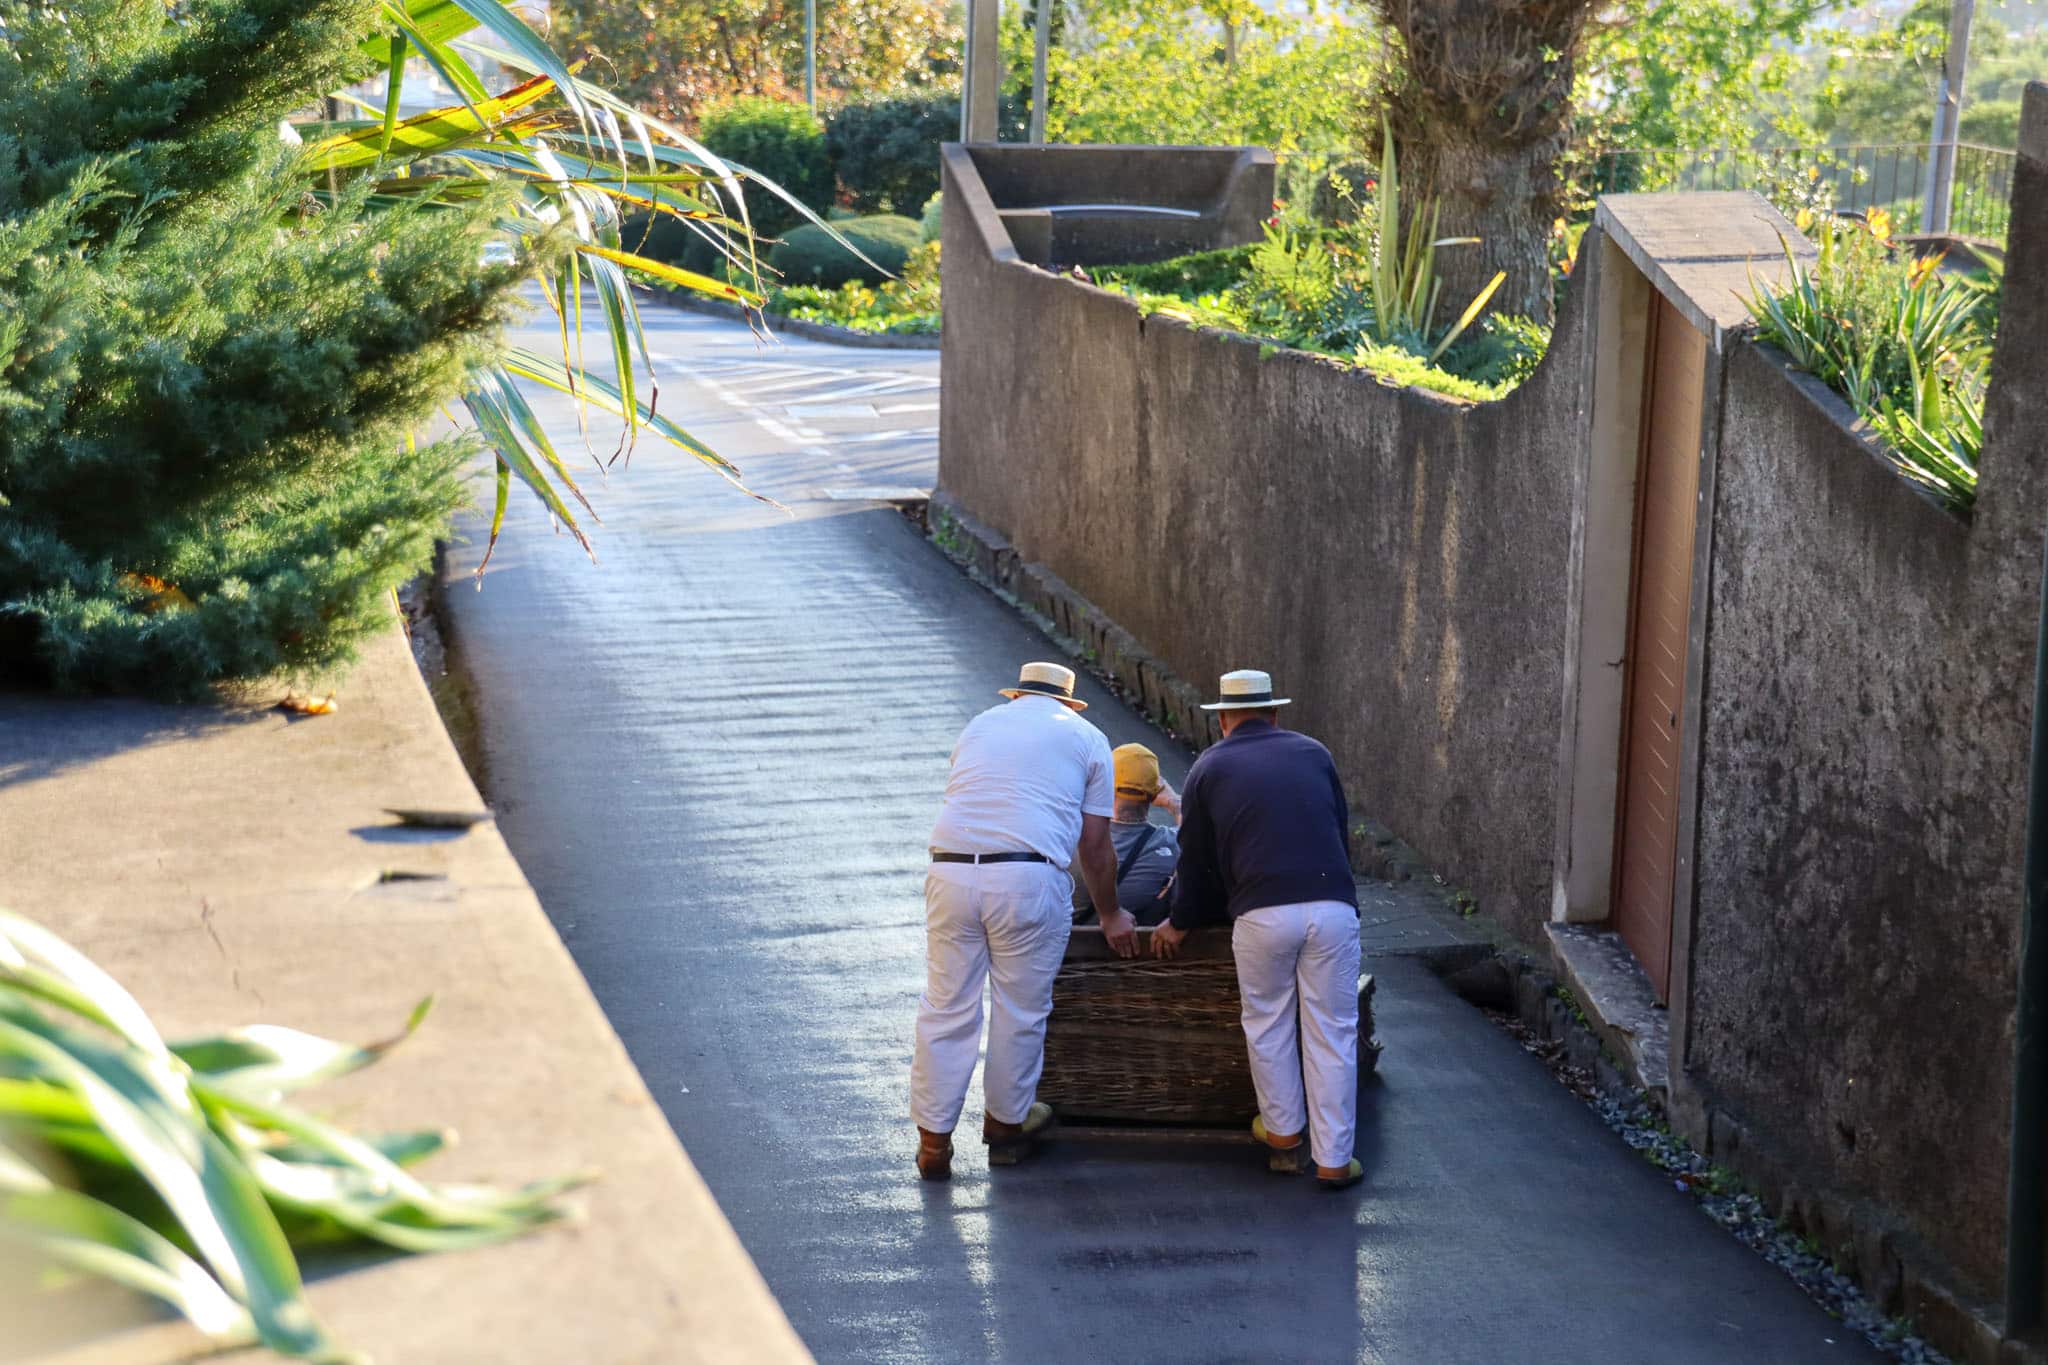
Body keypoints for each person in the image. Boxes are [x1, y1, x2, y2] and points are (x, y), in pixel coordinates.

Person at [910, 661, 1138, 1182]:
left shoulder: (980, 725)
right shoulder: (1087, 737)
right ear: (1068, 701)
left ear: (1016, 695)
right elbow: (1095, 847)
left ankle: (933, 1141)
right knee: (1020, 1008)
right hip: (1027, 877)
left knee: (946, 1006)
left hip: (949, 870)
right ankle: (1005, 1125)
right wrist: (1110, 913)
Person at [1152, 669, 1364, 1190]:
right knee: (1333, 1031)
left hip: (1262, 913)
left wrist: (1181, 920)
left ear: (1223, 720)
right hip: (1333, 907)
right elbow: (1338, 833)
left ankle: (1284, 1136)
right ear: (1273, 714)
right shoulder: (1315, 753)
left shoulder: (1209, 766)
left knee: (1268, 1022)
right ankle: (1335, 1161)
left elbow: (1195, 859)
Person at [1072, 742, 1182, 927]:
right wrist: (1174, 802)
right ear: (1154, 793)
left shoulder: (1071, 837)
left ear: (1103, 785)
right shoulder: (1171, 844)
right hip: (1135, 944)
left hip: (1070, 943)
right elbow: (1197, 830)